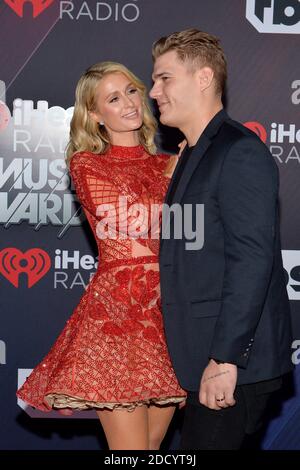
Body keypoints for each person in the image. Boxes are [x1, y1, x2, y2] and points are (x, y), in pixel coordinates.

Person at [17, 61, 186, 450]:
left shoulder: (166, 163)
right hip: (119, 318)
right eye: (113, 98)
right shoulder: (88, 164)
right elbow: (129, 218)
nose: (129, 103)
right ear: (95, 116)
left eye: (131, 91)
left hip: (169, 317)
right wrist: (172, 178)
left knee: (153, 445)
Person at [150, 29, 293, 449]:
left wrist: (225, 359)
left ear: (203, 78)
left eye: (164, 78)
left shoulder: (239, 152)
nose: (154, 91)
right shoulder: (191, 155)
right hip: (199, 356)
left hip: (231, 362)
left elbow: (252, 261)